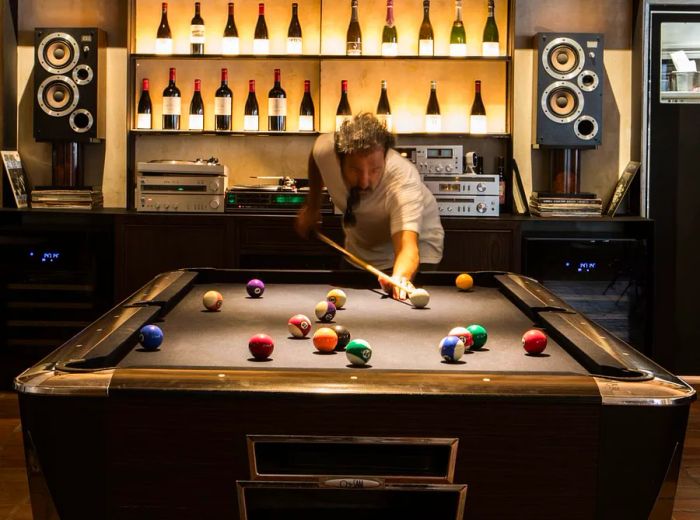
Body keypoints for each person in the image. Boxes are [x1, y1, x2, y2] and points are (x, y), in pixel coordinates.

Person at [295, 113, 444, 300]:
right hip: (359, 248)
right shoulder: (327, 150)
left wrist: (401, 278)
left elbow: (407, 247)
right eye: (355, 169)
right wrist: (312, 206)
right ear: (339, 160)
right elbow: (315, 159)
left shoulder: (403, 180)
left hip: (418, 250)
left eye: (375, 170)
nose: (365, 181)